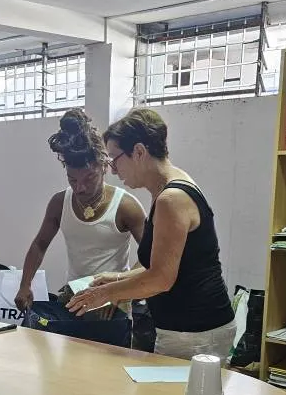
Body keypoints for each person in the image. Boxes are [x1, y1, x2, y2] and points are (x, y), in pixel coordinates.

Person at [67, 107, 236, 361]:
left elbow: (161, 279)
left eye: (114, 160)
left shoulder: (171, 199)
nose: (113, 170)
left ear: (138, 152)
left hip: (196, 331)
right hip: (189, 328)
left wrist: (104, 294)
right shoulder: (169, 189)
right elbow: (164, 267)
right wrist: (116, 278)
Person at [15, 108, 145, 312]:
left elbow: (150, 257)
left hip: (113, 306)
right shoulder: (60, 203)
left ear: (104, 167)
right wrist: (25, 284)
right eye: (72, 180)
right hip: (74, 299)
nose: (80, 188)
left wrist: (119, 290)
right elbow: (39, 244)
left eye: (89, 178)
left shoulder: (126, 206)